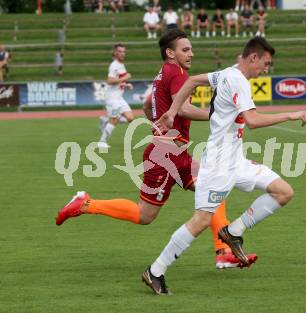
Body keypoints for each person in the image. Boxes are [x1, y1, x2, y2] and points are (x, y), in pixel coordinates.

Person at [56, 30, 256, 270]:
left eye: (191, 49)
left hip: (174, 152)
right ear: (170, 53)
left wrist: (159, 122)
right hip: (165, 155)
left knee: (212, 191)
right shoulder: (177, 73)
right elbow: (183, 110)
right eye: (185, 49)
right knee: (145, 215)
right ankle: (85, 203)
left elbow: (145, 104)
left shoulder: (165, 73)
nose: (191, 53)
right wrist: (218, 116)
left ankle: (223, 252)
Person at [142, 37, 306, 295]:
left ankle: (233, 231)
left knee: (283, 192)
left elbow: (191, 81)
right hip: (218, 165)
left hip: (237, 161)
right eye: (265, 63)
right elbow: (253, 121)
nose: (266, 69)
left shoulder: (226, 74)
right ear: (253, 58)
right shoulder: (237, 80)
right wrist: (290, 114)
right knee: (200, 221)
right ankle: (155, 270)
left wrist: (172, 112)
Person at [97, 44, 134, 149]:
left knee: (130, 118)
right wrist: (125, 78)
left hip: (119, 98)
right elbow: (109, 81)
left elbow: (117, 82)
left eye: (124, 51)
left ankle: (105, 120)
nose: (122, 53)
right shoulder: (114, 65)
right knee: (114, 120)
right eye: (120, 51)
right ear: (115, 53)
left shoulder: (121, 65)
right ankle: (102, 141)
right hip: (112, 98)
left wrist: (126, 85)